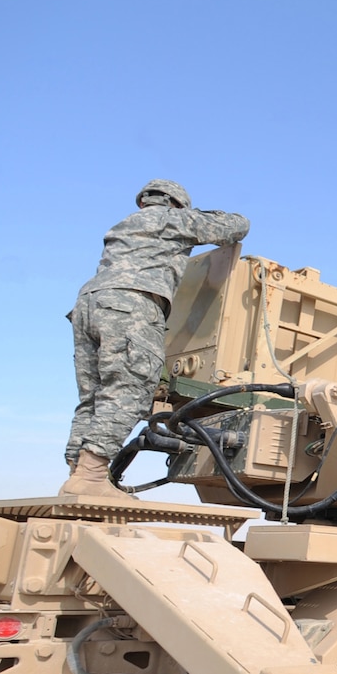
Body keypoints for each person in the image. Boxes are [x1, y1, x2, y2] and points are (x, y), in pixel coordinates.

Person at [60, 180, 249, 498]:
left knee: (93, 400)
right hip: (131, 305)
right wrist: (197, 214)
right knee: (128, 390)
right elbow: (237, 226)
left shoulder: (123, 226)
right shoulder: (173, 219)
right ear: (176, 204)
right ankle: (91, 477)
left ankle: (78, 476)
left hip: (88, 306)